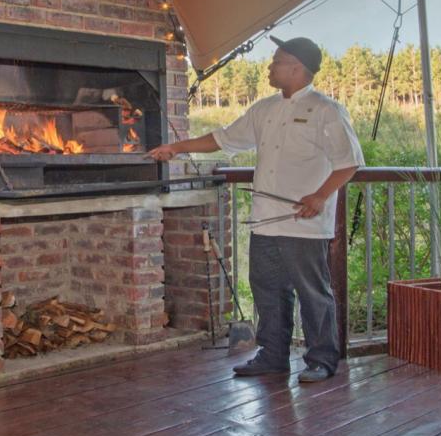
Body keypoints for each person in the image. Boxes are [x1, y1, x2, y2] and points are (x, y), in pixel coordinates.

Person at [148, 36, 364, 382]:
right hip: (265, 219)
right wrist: (176, 147)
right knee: (267, 289)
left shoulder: (327, 110)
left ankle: (322, 359)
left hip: (303, 222)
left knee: (312, 293)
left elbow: (349, 162)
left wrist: (320, 196)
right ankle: (273, 355)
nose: (269, 67)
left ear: (297, 67)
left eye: (276, 61)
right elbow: (223, 138)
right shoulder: (264, 109)